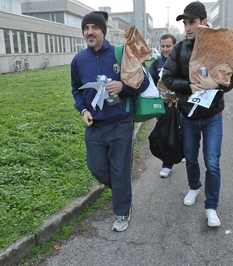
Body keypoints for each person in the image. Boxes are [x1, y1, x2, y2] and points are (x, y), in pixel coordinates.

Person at [162, 1, 233, 227]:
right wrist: (189, 86)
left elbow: (232, 79)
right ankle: (194, 185)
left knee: (212, 162)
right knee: (191, 158)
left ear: (203, 22)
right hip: (188, 115)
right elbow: (167, 78)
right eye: (185, 23)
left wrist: (215, 84)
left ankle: (211, 206)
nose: (187, 27)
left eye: (192, 22)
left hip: (213, 116)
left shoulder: (220, 46)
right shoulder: (179, 49)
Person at [71, 11, 149, 232]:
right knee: (97, 167)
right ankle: (122, 192)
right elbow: (76, 90)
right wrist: (83, 110)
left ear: (103, 31)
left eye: (94, 28)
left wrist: (123, 87)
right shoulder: (79, 60)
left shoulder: (121, 54)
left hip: (121, 122)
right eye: (86, 28)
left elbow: (143, 83)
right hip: (95, 124)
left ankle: (122, 211)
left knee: (120, 169)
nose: (89, 32)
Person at [148, 33, 178, 178]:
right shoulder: (156, 64)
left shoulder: (182, 61)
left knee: (183, 133)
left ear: (175, 46)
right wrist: (159, 96)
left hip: (181, 105)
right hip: (163, 106)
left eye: (168, 46)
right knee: (165, 135)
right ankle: (167, 164)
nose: (165, 49)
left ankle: (182, 154)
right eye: (163, 46)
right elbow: (148, 84)